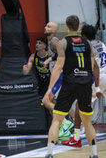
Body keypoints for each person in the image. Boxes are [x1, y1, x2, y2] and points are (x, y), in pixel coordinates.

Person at [43, 15, 98, 158]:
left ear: (66, 27)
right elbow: (92, 66)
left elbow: (58, 67)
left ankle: (49, 153)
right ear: (78, 26)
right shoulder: (87, 43)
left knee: (57, 120)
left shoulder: (63, 43)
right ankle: (94, 154)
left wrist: (49, 89)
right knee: (87, 122)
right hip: (85, 83)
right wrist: (92, 87)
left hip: (70, 84)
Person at [62, 24, 104, 148]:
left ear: (83, 35)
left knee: (79, 106)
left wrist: (96, 88)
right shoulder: (101, 44)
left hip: (98, 78)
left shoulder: (86, 47)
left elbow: (94, 67)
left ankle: (76, 138)